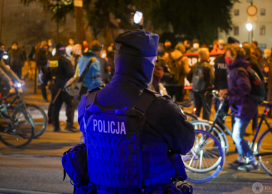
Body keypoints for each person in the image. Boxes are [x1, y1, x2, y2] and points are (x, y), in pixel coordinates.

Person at [78, 30, 195, 193]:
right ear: (144, 64)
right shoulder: (159, 107)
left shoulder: (88, 102)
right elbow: (185, 144)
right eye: (152, 61)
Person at [221, 45, 259, 171]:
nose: (226, 57)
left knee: (237, 136)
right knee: (237, 134)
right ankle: (241, 159)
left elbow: (245, 87)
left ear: (234, 56)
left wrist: (229, 91)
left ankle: (253, 162)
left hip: (245, 106)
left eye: (228, 55)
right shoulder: (234, 69)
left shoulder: (238, 70)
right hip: (239, 106)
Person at [43, 43, 76, 132]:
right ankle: (69, 125)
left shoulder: (52, 60)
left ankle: (56, 126)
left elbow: (48, 73)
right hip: (65, 85)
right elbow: (71, 73)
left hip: (55, 85)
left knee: (56, 106)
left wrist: (46, 82)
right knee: (69, 104)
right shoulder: (64, 60)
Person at [187, 48, 214, 120]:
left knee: (196, 111)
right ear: (206, 56)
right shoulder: (208, 66)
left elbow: (188, 77)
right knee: (206, 112)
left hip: (195, 91)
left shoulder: (194, 66)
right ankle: (205, 129)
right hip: (206, 92)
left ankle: (195, 128)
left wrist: (195, 83)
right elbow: (212, 78)